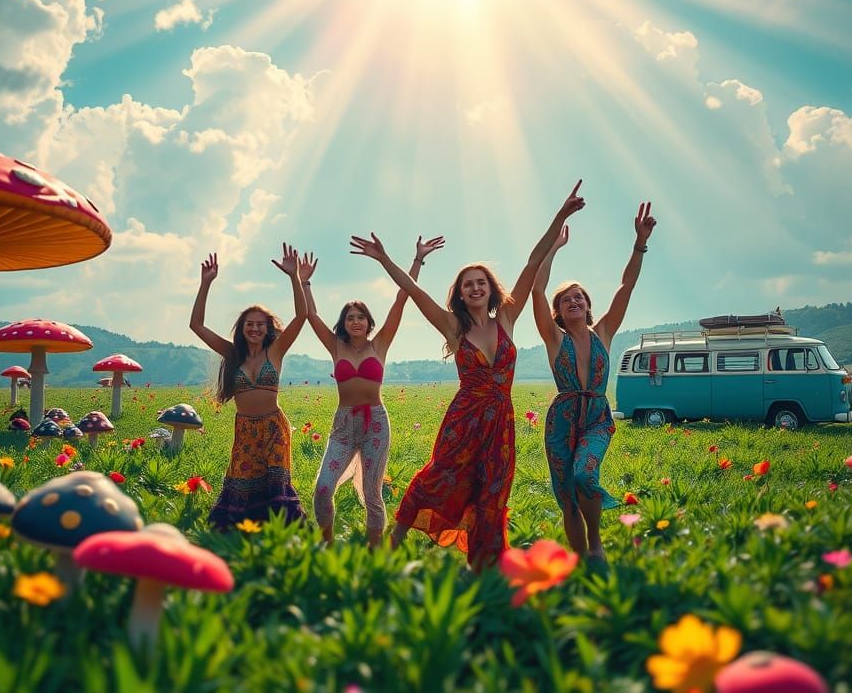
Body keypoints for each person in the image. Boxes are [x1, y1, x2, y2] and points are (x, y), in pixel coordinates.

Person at [350, 185, 586, 569]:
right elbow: (412, 289)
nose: (475, 287)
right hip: (464, 420)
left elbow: (532, 262)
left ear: (491, 289)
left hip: (501, 423)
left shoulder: (506, 318)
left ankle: (484, 567)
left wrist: (560, 214)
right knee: (439, 479)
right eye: (467, 284)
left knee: (493, 492)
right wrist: (384, 258)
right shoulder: (453, 327)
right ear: (460, 293)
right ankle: (392, 544)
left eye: (481, 282)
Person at [531, 200, 657, 565]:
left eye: (579, 297)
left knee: (584, 474)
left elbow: (626, 286)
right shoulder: (554, 338)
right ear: (558, 311)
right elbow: (537, 291)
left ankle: (596, 544)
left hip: (597, 417)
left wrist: (639, 243)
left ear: (588, 306)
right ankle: (581, 558)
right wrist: (554, 248)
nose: (573, 301)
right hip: (562, 419)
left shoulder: (603, 332)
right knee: (566, 493)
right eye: (566, 299)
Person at [301, 235, 445, 547]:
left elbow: (402, 298)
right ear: (343, 323)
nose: (355, 321)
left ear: (369, 322)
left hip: (376, 423)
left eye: (361, 317)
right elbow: (311, 315)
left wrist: (418, 259)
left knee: (372, 493)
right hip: (343, 425)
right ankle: (327, 542)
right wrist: (304, 282)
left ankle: (375, 548)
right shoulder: (335, 346)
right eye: (350, 317)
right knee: (323, 488)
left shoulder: (380, 345)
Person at [190, 244, 309, 530]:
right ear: (242, 328)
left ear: (268, 329)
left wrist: (294, 276)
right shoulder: (233, 354)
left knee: (275, 483)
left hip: (273, 426)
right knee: (243, 483)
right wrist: (205, 284)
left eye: (260, 325)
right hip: (245, 429)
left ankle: (281, 532)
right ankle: (242, 533)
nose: (254, 329)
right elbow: (196, 325)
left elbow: (302, 316)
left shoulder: (275, 352)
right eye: (249, 324)